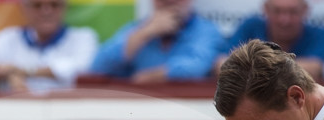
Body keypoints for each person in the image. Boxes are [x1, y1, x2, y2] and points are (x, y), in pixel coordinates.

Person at [0, 0, 98, 92]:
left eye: (54, 5)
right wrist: (7, 73)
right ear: (24, 9)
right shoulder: (8, 38)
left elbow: (79, 67)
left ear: (65, 8)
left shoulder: (83, 37)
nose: (46, 11)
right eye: (37, 5)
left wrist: (21, 71)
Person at [89, 0, 223, 84]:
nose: (169, 1)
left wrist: (153, 76)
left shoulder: (206, 30)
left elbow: (196, 66)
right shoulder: (137, 29)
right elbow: (98, 66)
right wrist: (145, 33)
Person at [222, 0, 324, 81]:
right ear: (266, 9)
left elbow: (314, 68)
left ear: (305, 10)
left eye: (293, 12)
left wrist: (252, 66)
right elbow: (223, 64)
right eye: (277, 11)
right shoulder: (250, 27)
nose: (284, 20)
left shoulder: (320, 35)